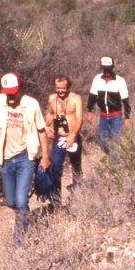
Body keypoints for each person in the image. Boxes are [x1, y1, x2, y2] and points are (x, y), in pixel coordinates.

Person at [0, 72, 50, 243]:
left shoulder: (32, 105)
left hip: (25, 157)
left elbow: (41, 130)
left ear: (20, 89)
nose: (11, 97)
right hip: (5, 158)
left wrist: (45, 156)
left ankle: (19, 240)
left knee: (21, 201)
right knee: (11, 201)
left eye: (14, 92)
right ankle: (22, 214)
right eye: (8, 93)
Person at [44, 74, 84, 205]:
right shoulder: (52, 99)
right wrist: (45, 126)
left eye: (63, 88)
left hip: (73, 137)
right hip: (58, 137)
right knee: (55, 167)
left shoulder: (76, 98)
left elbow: (79, 119)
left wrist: (73, 135)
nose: (60, 91)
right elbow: (50, 114)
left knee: (76, 166)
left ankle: (78, 194)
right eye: (58, 88)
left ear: (68, 87)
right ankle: (55, 200)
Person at [89, 56, 131, 154]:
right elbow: (92, 96)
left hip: (116, 116)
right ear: (102, 68)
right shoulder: (97, 79)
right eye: (105, 68)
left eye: (109, 68)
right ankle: (107, 155)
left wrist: (127, 116)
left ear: (112, 67)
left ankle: (113, 163)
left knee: (114, 140)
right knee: (102, 140)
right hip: (103, 115)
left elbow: (125, 100)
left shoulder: (120, 80)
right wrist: (89, 111)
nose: (107, 71)